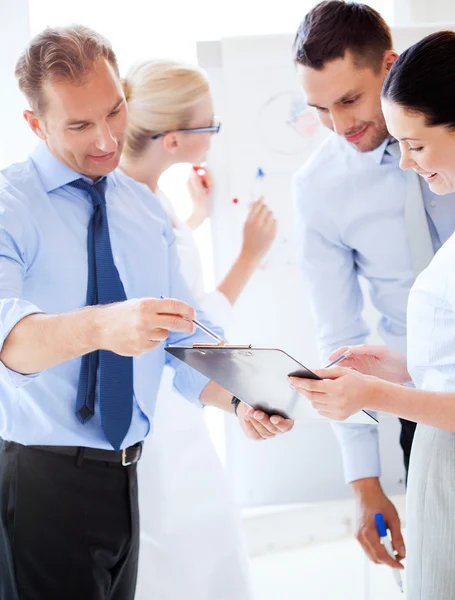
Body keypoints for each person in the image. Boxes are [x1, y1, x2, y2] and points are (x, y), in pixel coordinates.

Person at [0, 26, 293, 600]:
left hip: (127, 479)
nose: (109, 139)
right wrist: (106, 325)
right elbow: (8, 340)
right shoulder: (11, 205)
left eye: (115, 112)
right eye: (81, 125)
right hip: (39, 483)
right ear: (36, 124)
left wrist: (240, 399)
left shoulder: (144, 208)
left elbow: (182, 347)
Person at [291, 29, 455, 600]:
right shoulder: (319, 187)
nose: (339, 126)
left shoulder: (436, 128)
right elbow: (339, 328)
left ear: (387, 67)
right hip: (426, 410)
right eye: (319, 110)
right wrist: (365, 479)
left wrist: (377, 392)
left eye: (349, 100)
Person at [120, 59, 276, 600]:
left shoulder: (146, 195)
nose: (214, 137)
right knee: (190, 554)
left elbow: (162, 279)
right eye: (209, 127)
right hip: (163, 413)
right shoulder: (136, 207)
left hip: (173, 404)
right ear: (170, 140)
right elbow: (188, 323)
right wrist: (249, 258)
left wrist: (195, 219)